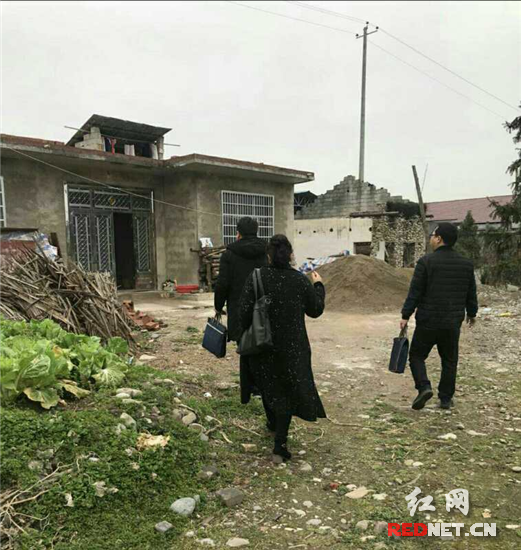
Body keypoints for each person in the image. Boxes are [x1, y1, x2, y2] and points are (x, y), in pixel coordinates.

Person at [238, 234, 326, 461]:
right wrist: (318, 286)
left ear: (268, 255)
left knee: (268, 386)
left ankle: (272, 422)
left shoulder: (257, 277)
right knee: (286, 392)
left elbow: (244, 313)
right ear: (290, 255)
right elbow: (315, 310)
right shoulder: (299, 280)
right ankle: (280, 442)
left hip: (262, 346)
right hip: (292, 348)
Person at [400, 222, 478, 411]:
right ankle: (445, 399)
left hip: (428, 321)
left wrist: (405, 315)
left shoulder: (426, 262)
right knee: (449, 360)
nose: (431, 238)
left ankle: (424, 387)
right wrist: (472, 313)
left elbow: (415, 292)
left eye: (433, 235)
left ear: (439, 239)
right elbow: (471, 292)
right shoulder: (466, 264)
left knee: (417, 355)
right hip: (452, 322)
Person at [214, 217, 268, 400]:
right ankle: (261, 385)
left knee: (244, 346)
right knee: (263, 343)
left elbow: (223, 283)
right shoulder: (266, 251)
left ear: (238, 233)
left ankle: (248, 388)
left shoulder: (229, 254)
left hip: (238, 307)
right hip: (263, 306)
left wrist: (218, 305)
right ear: (256, 231)